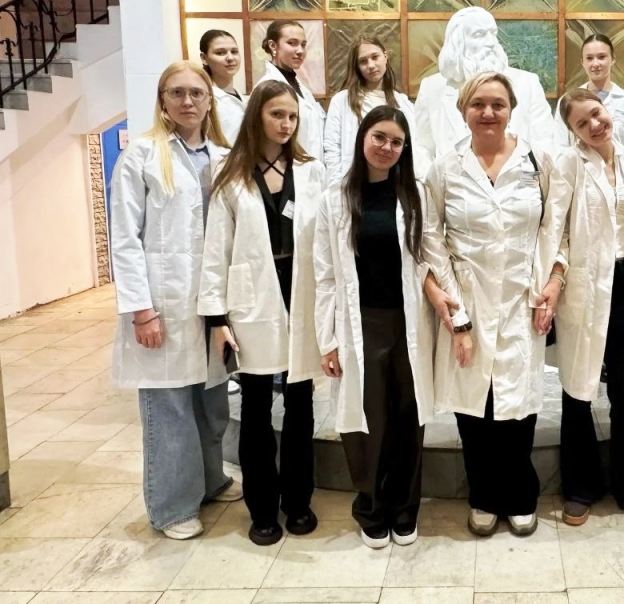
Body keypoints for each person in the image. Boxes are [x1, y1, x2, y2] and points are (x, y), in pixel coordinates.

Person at [109, 60, 241, 541]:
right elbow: (124, 239)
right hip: (163, 302)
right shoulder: (143, 156)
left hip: (210, 303)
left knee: (211, 402)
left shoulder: (224, 156)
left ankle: (211, 480)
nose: (188, 101)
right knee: (170, 408)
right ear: (163, 101)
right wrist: (141, 310)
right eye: (177, 93)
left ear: (209, 101)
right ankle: (172, 506)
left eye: (196, 93)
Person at [422, 72, 553, 538]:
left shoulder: (538, 162)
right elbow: (431, 237)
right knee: (475, 405)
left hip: (522, 299)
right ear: (463, 110)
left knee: (518, 404)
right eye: (478, 104)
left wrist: (553, 282)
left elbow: (554, 229)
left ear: (511, 109)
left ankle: (520, 495)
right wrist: (456, 312)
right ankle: (483, 495)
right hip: (469, 299)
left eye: (498, 104)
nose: (488, 112)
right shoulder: (445, 168)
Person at [199, 80, 327, 546]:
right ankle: (262, 508)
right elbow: (216, 249)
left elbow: (326, 239)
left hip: (301, 293)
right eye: (277, 114)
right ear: (257, 116)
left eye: (292, 116)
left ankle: (298, 501)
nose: (286, 123)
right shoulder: (232, 174)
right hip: (252, 298)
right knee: (255, 409)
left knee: (300, 404)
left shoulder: (312, 171)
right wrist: (216, 318)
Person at [535, 88, 624, 526]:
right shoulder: (568, 164)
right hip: (584, 286)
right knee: (578, 386)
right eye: (581, 123)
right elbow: (557, 229)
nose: (594, 125)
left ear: (607, 110)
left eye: (596, 113)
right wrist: (554, 278)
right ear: (572, 131)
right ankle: (579, 486)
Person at [315, 106, 434, 549]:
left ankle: (405, 508)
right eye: (379, 137)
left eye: (396, 142)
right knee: (366, 423)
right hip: (359, 324)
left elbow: (429, 257)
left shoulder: (415, 195)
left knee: (408, 418)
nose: (387, 147)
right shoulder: (335, 199)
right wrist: (327, 341)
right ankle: (370, 507)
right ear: (363, 137)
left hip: (409, 322)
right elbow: (325, 275)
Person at [415, 7, 554, 161]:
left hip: (515, 174)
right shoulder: (432, 88)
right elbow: (422, 148)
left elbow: (545, 144)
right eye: (479, 35)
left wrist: (531, 176)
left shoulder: (527, 83)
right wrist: (433, 176)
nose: (490, 43)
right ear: (458, 42)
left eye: (493, 34)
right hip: (451, 175)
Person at [322, 37, 424, 181]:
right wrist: (337, 184)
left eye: (375, 57)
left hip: (396, 181)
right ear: (356, 66)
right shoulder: (342, 101)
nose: (370, 65)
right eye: (363, 61)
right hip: (354, 181)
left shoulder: (403, 103)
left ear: (385, 56)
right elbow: (332, 148)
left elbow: (413, 146)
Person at [555, 34, 624, 154]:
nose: (595, 64)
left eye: (601, 57)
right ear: (582, 62)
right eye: (589, 58)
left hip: (620, 165)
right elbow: (560, 148)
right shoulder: (567, 102)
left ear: (612, 59)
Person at [256, 20, 326, 161]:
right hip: (286, 168)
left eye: (303, 45)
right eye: (292, 43)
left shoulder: (301, 87)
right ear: (273, 45)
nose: (300, 51)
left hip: (312, 167)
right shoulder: (266, 87)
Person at [198, 30, 246, 144]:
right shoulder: (203, 99)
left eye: (234, 52)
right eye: (220, 53)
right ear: (204, 58)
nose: (230, 58)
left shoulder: (245, 99)